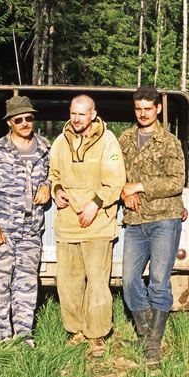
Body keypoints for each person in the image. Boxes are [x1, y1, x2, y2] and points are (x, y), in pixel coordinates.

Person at [49, 95, 126, 358]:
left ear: (93, 114)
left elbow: (115, 181)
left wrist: (95, 204)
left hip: (97, 224)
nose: (76, 119)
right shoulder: (60, 142)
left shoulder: (108, 141)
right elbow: (54, 175)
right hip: (68, 223)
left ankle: (97, 334)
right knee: (68, 282)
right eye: (73, 113)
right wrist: (56, 189)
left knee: (96, 282)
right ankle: (76, 330)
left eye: (82, 114)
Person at [0, 95, 51, 348]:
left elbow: (56, 175)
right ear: (10, 122)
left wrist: (49, 186)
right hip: (3, 229)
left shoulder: (45, 148)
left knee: (26, 283)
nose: (25, 123)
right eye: (19, 119)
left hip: (31, 229)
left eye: (29, 118)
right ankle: (0, 335)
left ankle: (23, 334)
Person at [119, 85, 186, 365]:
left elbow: (175, 181)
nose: (143, 114)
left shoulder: (169, 142)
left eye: (148, 108)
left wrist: (140, 186)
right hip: (135, 221)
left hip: (164, 220)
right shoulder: (124, 140)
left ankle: (153, 343)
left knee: (159, 281)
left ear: (158, 109)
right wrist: (125, 190)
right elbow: (113, 173)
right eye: (138, 109)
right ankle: (145, 330)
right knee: (129, 280)